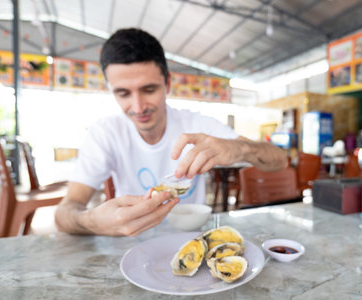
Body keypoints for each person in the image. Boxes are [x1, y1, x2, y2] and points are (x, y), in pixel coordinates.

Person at [55, 28, 288, 236]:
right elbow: (65, 212)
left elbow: (280, 160)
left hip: (192, 239)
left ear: (167, 84)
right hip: (132, 245)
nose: (138, 107)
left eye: (149, 89)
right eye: (123, 93)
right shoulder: (105, 133)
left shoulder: (197, 124)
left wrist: (239, 149)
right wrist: (91, 221)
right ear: (111, 90)